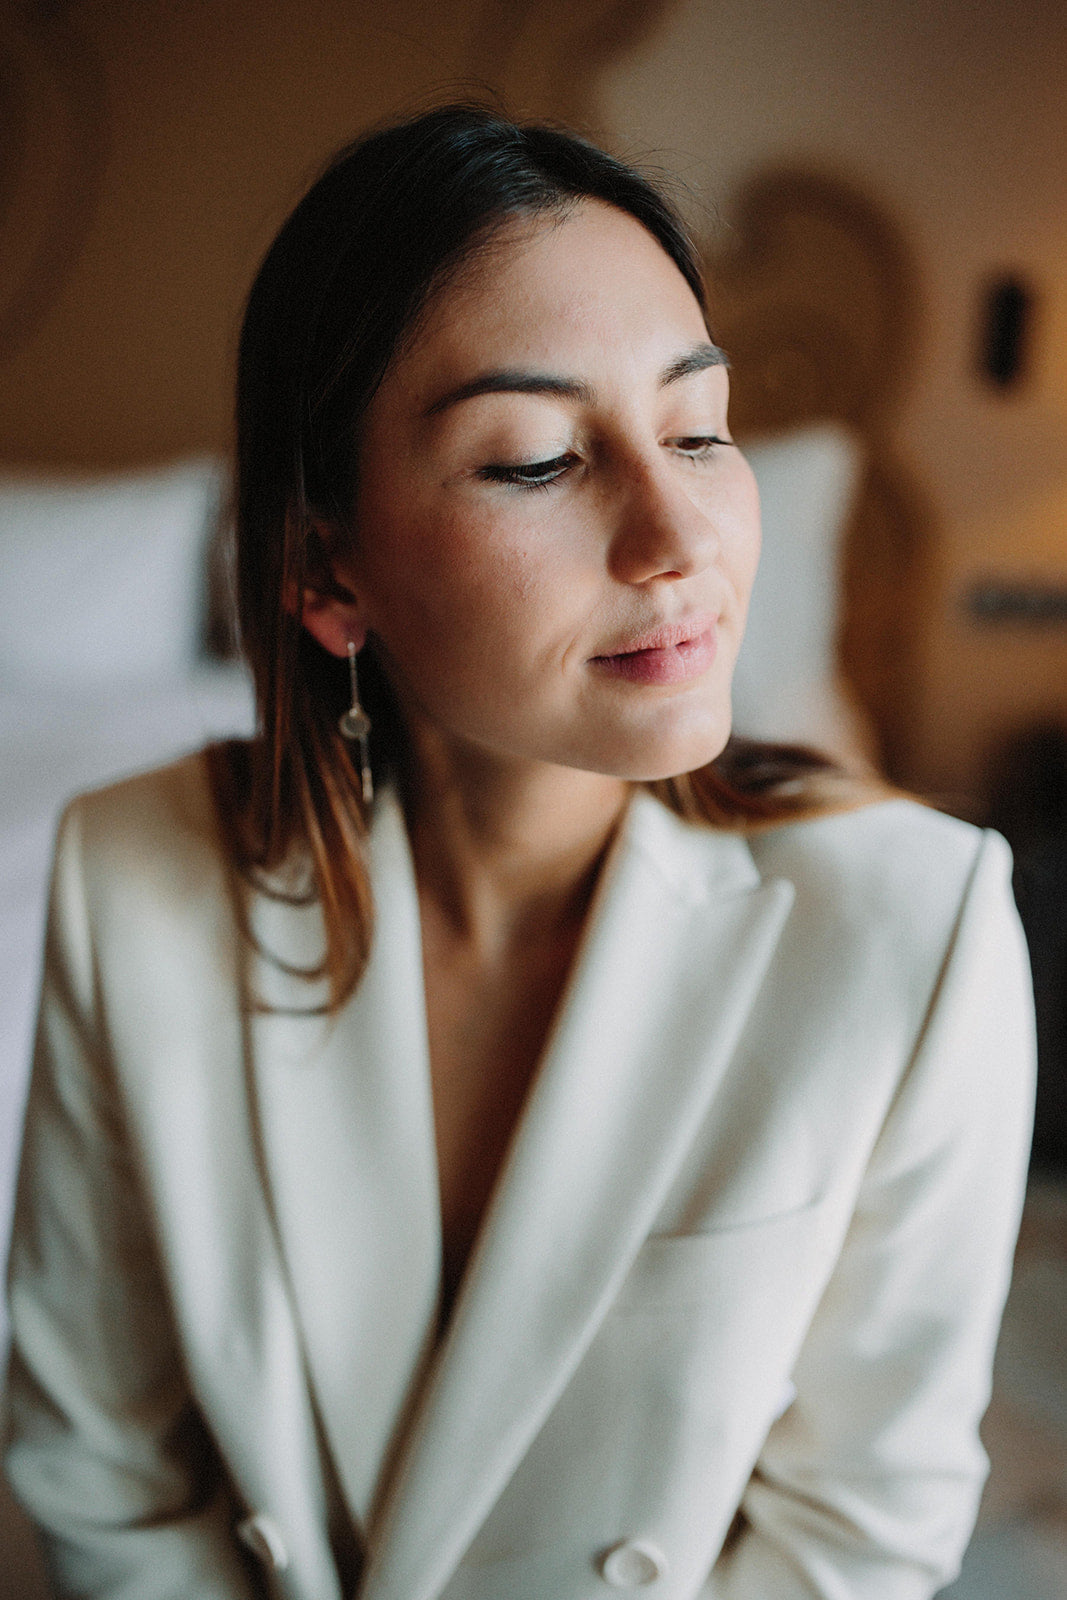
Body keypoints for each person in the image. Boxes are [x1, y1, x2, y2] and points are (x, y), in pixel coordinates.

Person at [3, 104, 1034, 1600]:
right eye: (542, 460)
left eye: (699, 428)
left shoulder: (916, 929)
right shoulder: (131, 879)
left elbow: (859, 1537)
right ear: (323, 567)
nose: (675, 534)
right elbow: (98, 1466)